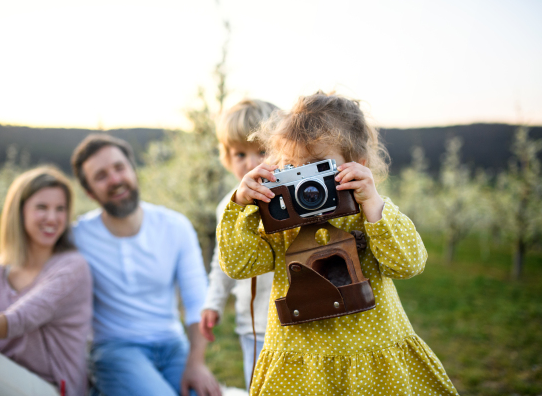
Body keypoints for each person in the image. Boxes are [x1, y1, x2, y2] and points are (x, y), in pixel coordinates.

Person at [217, 91, 459, 395]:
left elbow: (408, 264)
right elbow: (239, 266)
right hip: (301, 367)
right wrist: (242, 205)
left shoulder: (368, 213)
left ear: (357, 165)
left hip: (371, 361)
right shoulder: (281, 222)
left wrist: (373, 205)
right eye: (292, 168)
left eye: (318, 168)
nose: (306, 185)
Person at [70, 134, 221, 396]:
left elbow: (197, 300)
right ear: (89, 192)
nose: (115, 180)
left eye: (119, 168)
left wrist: (196, 363)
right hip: (115, 349)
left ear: (133, 170)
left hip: (174, 346)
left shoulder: (175, 226)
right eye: (101, 175)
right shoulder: (78, 236)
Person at [0, 166, 92, 396]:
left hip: (53, 388)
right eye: (42, 207)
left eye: (60, 209)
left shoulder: (72, 267)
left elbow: (18, 320)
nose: (52, 218)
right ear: (19, 211)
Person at [199, 99, 278, 390]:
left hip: (296, 321)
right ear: (226, 157)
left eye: (262, 150)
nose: (251, 163)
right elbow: (222, 261)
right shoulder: (227, 207)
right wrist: (213, 302)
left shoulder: (292, 198)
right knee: (258, 385)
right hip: (253, 326)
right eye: (240, 154)